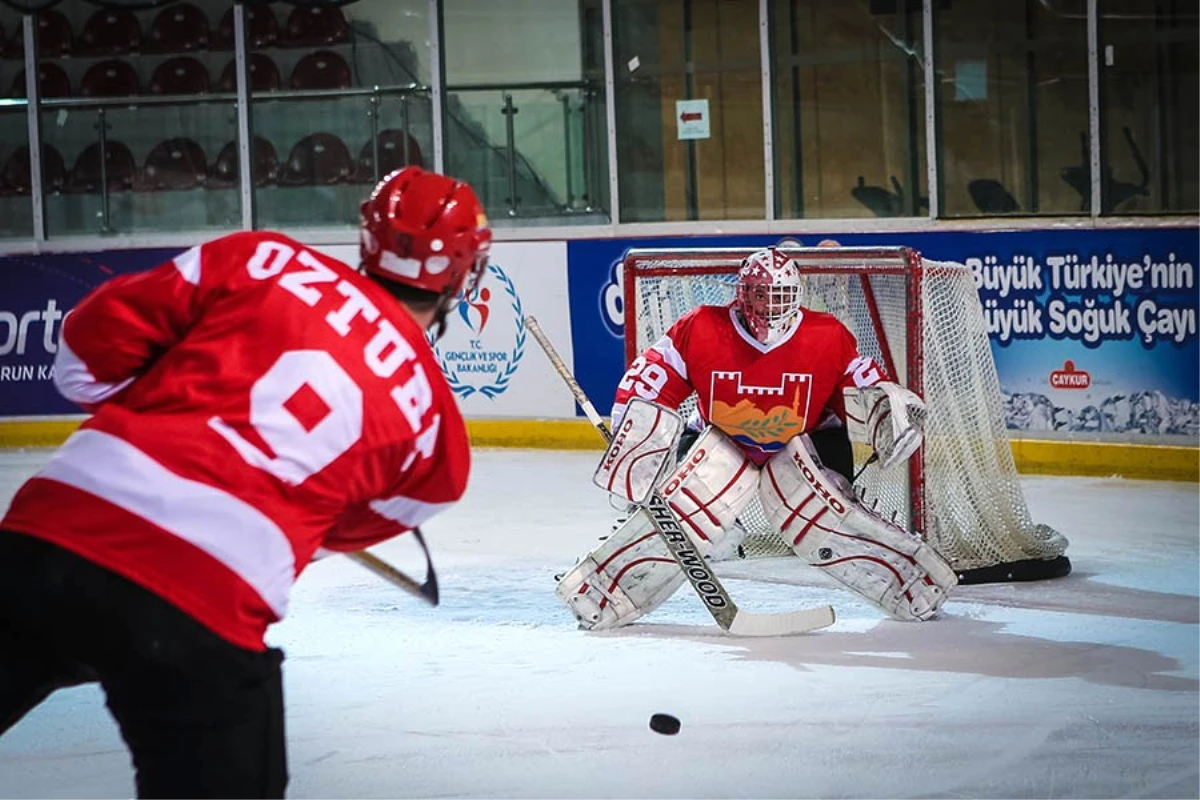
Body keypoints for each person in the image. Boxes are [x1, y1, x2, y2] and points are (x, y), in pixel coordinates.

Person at [0, 166, 492, 799]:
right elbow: (328, 530)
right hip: (200, 607)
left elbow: (84, 354)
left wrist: (158, 405)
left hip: (48, 537)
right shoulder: (440, 442)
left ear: (369, 234)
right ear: (462, 273)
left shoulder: (262, 257)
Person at [556, 246, 956, 630]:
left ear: (796, 295)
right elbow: (652, 380)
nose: (769, 304)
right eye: (760, 293)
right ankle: (603, 595)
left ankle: (914, 583)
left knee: (824, 512)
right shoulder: (701, 326)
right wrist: (635, 429)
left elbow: (863, 389)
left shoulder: (827, 336)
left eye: (779, 294)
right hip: (719, 437)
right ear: (742, 293)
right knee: (684, 508)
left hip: (809, 440)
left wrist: (888, 415)